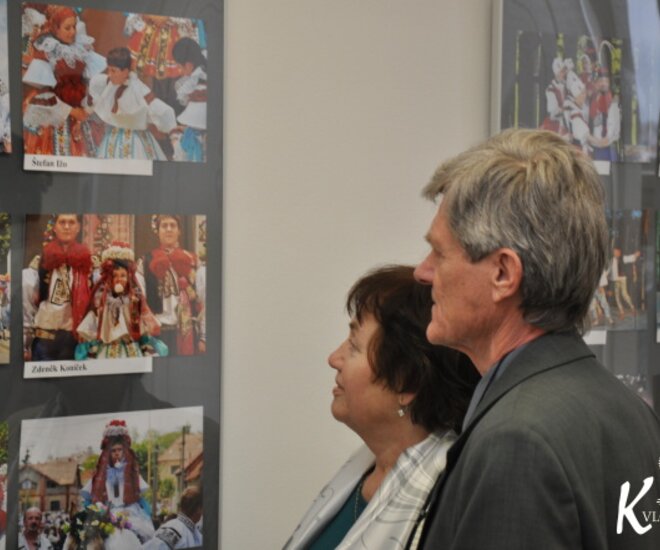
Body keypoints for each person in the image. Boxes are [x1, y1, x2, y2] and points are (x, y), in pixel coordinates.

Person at [411, 128, 660, 549]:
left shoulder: (517, 441)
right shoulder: (628, 409)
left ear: (503, 274)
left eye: (440, 252)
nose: (423, 272)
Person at [283, 265, 479, 550]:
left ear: (406, 383)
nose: (334, 358)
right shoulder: (364, 466)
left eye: (353, 346)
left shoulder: (447, 498)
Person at [22, 6, 106, 156]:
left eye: (74, 26)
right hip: (55, 112)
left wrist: (85, 111)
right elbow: (43, 95)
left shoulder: (80, 48)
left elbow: (89, 83)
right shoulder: (47, 51)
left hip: (80, 112)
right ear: (55, 28)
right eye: (67, 28)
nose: (73, 32)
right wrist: (72, 112)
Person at [75, 241, 167, 360]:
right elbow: (94, 324)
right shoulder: (102, 301)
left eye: (123, 275)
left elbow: (142, 326)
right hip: (106, 350)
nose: (119, 279)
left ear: (129, 277)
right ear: (109, 278)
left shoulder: (134, 300)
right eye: (115, 276)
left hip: (131, 350)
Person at [86, 47, 177, 161]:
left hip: (136, 140)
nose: (110, 74)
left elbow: (162, 110)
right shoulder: (111, 83)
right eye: (108, 70)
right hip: (112, 139)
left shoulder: (138, 89)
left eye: (113, 71)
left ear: (125, 71)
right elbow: (95, 84)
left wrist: (172, 132)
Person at [23, 214, 92, 361]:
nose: (67, 227)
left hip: (73, 341)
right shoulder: (42, 260)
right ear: (54, 227)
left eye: (71, 222)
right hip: (44, 339)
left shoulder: (86, 262)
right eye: (62, 222)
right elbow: (28, 299)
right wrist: (25, 342)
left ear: (78, 227)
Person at [80, 419, 155, 543]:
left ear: (124, 451)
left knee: (147, 533)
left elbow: (135, 497)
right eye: (113, 451)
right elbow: (93, 500)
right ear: (108, 453)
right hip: (106, 513)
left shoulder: (132, 473)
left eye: (119, 450)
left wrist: (126, 513)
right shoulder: (100, 475)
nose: (117, 453)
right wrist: (103, 511)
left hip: (129, 512)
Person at [137, 215, 201, 355]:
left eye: (173, 225)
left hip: (187, 331)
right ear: (157, 231)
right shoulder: (145, 261)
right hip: (157, 332)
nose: (169, 229)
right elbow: (139, 297)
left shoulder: (192, 260)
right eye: (164, 225)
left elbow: (202, 297)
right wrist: (150, 323)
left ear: (179, 231)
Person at [170, 37, 207, 162]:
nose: (179, 71)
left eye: (179, 67)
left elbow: (198, 118)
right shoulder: (199, 75)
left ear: (189, 65)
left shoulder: (197, 83)